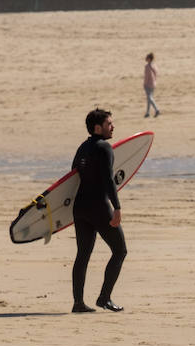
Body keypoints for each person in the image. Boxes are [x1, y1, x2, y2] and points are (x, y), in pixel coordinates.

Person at [71, 108, 126, 313]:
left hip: (80, 208)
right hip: (99, 207)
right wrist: (117, 208)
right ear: (97, 127)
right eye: (109, 124)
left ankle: (78, 303)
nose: (113, 126)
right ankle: (104, 298)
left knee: (82, 255)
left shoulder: (82, 147)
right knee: (120, 250)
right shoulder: (105, 147)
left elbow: (72, 176)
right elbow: (108, 181)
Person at [143, 53, 160, 118]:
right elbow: (156, 74)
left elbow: (147, 76)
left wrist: (145, 83)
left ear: (149, 59)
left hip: (148, 84)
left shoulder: (147, 67)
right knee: (149, 99)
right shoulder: (154, 65)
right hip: (153, 83)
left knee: (150, 98)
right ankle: (147, 113)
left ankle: (156, 109)